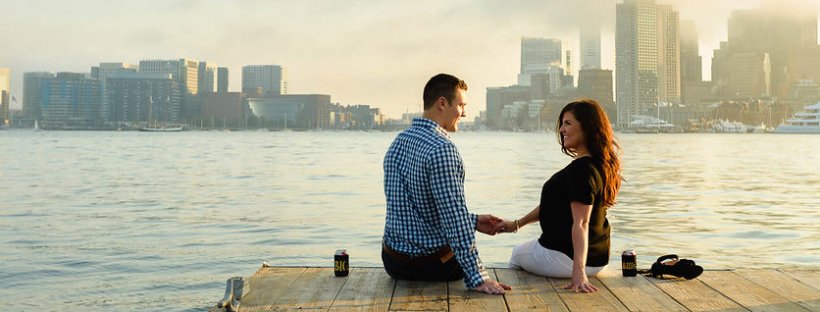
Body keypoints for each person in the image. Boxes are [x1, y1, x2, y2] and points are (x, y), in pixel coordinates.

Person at [381, 73, 511, 295]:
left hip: (393, 262)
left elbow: (415, 212)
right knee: (460, 248)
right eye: (461, 105)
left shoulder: (398, 142)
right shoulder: (442, 149)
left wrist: (474, 221)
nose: (464, 112)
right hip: (433, 266)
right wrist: (478, 277)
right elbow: (453, 219)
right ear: (442, 103)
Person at [496, 99, 622, 293]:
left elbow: (582, 223)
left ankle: (516, 294)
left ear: (587, 127)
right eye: (562, 123)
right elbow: (552, 206)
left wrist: (578, 272)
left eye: (568, 123)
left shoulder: (581, 171)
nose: (561, 129)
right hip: (598, 260)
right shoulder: (599, 166)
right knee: (525, 249)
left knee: (517, 253)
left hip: (565, 259)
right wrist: (517, 224)